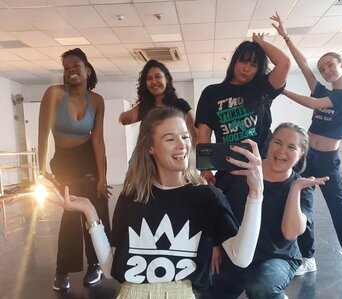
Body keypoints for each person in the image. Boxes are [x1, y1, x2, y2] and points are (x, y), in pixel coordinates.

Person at [48, 107, 264, 299]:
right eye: (170, 139)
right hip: (131, 293)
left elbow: (241, 258)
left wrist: (256, 193)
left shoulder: (207, 198)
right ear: (150, 147)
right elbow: (110, 268)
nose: (182, 145)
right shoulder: (132, 197)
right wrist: (90, 211)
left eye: (185, 137)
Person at [270, 12, 342, 283]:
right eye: (323, 68)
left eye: (330, 65)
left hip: (329, 161)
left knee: (339, 212)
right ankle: (307, 258)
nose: (327, 71)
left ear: (341, 64)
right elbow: (304, 65)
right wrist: (285, 36)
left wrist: (279, 90)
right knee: (303, 208)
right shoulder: (322, 90)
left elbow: (313, 105)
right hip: (307, 158)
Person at [205, 122, 329, 299]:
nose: (281, 151)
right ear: (269, 144)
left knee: (262, 287)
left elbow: (290, 233)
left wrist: (295, 189)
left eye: (291, 147)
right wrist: (214, 245)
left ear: (301, 154)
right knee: (207, 289)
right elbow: (215, 208)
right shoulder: (239, 172)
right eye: (277, 142)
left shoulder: (303, 187)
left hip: (277, 257)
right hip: (235, 252)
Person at [38, 48, 111, 291]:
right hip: (65, 160)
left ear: (88, 70)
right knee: (70, 211)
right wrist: (40, 168)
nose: (71, 71)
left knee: (96, 209)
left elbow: (98, 140)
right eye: (66, 68)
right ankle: (62, 270)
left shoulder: (97, 100)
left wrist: (102, 178)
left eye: (76, 66)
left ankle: (96, 264)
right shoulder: (54, 94)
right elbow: (42, 134)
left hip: (89, 157)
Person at [195, 33, 290, 186]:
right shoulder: (212, 93)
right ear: (234, 62)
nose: (246, 69)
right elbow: (204, 131)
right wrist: (205, 168)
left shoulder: (263, 88)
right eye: (243, 61)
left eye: (253, 65)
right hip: (228, 167)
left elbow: (284, 63)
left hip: (261, 166)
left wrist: (260, 43)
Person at [119, 59, 197, 145]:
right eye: (149, 78)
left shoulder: (180, 104)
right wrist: (126, 115)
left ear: (166, 79)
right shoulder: (144, 106)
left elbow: (195, 132)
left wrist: (190, 155)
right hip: (147, 155)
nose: (154, 82)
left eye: (158, 76)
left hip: (175, 154)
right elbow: (123, 120)